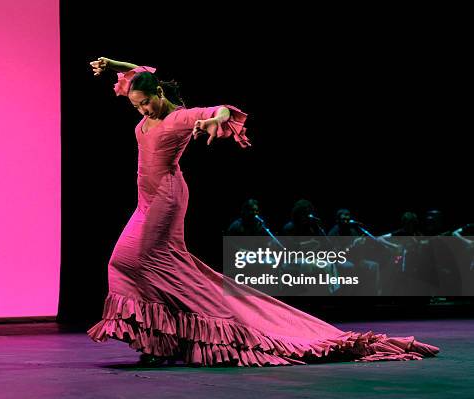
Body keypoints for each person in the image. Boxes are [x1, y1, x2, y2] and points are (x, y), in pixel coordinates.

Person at [86, 57, 439, 367]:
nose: (143, 111)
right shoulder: (143, 95)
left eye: (146, 103)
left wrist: (214, 121)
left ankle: (212, 323)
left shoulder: (179, 118)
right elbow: (140, 70)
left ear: (158, 94)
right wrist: (115, 66)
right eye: (137, 107)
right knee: (139, 265)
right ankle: (161, 340)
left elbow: (221, 110)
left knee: (136, 262)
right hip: (144, 201)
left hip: (165, 199)